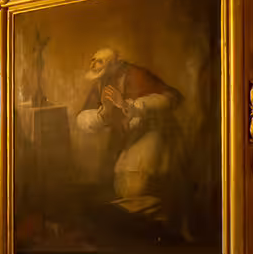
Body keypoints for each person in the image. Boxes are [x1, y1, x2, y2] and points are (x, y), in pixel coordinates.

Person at [75, 47, 181, 218]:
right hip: (127, 136)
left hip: (153, 133)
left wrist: (126, 105)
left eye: (100, 61)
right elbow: (84, 118)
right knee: (119, 185)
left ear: (114, 63)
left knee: (137, 185)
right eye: (92, 60)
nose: (94, 64)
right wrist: (103, 114)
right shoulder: (102, 81)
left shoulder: (135, 74)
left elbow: (170, 98)